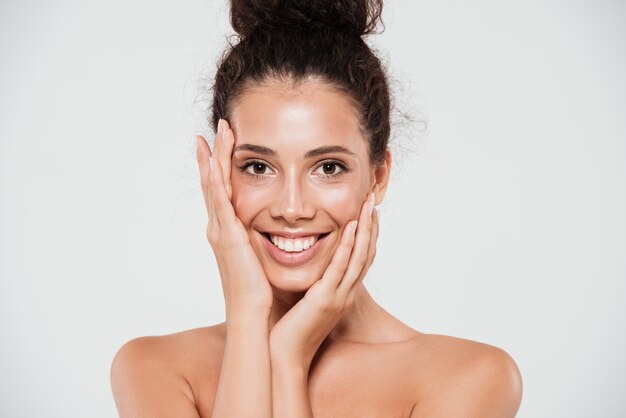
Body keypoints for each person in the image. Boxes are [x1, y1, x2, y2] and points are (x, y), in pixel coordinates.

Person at [110, 0, 523, 416]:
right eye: (258, 166)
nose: (292, 208)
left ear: (378, 177)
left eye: (328, 167)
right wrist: (248, 316)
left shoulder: (469, 378)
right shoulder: (154, 368)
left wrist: (288, 361)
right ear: (217, 173)